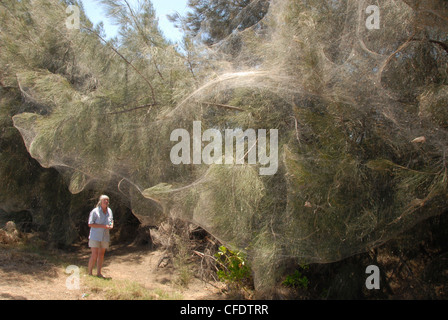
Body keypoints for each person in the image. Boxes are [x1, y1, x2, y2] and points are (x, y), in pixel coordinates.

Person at [88, 195, 113, 278]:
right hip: (95, 236)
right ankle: (90, 273)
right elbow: (90, 223)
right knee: (94, 254)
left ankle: (99, 273)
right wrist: (103, 226)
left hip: (105, 236)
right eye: (104, 201)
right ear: (100, 202)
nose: (106, 202)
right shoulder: (95, 211)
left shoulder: (109, 211)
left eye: (107, 201)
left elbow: (111, 220)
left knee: (101, 254)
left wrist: (111, 225)